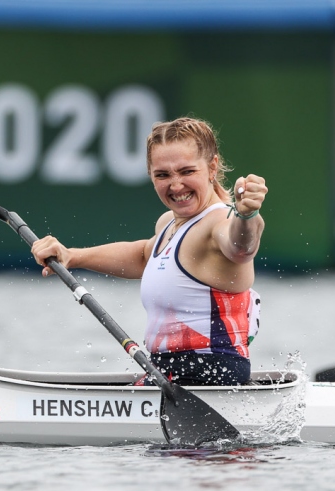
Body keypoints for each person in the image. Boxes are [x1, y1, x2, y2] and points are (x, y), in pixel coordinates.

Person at [30, 116, 267, 386]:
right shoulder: (169, 224)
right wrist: (71, 256)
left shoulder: (220, 221)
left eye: (187, 171)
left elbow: (241, 248)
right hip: (169, 376)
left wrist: (248, 217)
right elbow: (142, 256)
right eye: (162, 175)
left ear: (212, 167)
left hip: (213, 377)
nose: (176, 185)